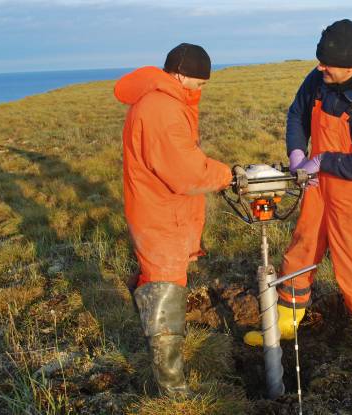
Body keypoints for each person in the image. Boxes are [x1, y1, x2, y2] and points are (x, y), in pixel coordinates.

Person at [244, 19, 352, 378]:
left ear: (350, 63)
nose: (319, 67)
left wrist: (324, 160)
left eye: (326, 62)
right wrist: (298, 153)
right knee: (301, 250)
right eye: (319, 59)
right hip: (315, 187)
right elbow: (297, 114)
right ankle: (285, 325)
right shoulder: (318, 82)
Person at [114, 43, 233, 397]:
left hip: (162, 210)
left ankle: (166, 374)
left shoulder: (163, 100)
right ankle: (173, 389)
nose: (201, 89)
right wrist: (227, 174)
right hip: (160, 215)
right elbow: (185, 172)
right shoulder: (161, 108)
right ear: (181, 75)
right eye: (199, 82)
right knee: (164, 284)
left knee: (162, 279)